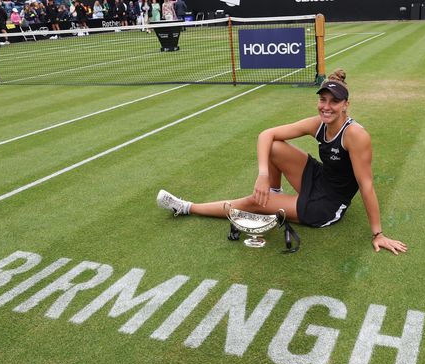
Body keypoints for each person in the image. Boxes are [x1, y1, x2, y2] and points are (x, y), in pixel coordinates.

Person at [156, 70, 408, 255]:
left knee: (254, 202)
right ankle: (274, 196)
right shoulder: (318, 124)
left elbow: (366, 186)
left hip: (327, 204)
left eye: (334, 102)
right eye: (323, 100)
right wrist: (264, 174)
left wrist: (379, 234)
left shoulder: (356, 135)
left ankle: (187, 207)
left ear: (346, 106)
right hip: (320, 179)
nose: (326, 107)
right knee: (274, 147)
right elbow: (266, 134)